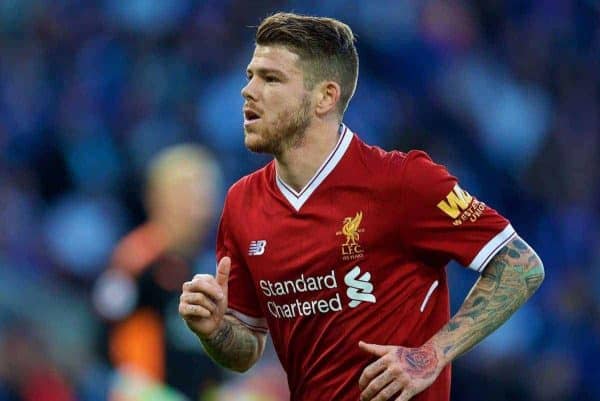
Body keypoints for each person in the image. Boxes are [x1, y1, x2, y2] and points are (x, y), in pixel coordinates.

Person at [179, 12, 545, 401]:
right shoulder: (242, 202)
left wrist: (431, 355)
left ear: (325, 97)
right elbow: (246, 350)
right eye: (251, 75)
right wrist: (215, 329)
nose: (248, 91)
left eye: (271, 79)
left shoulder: (403, 181)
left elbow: (520, 266)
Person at [93, 144, 224, 400]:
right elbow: (112, 348)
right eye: (187, 191)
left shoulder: (214, 261)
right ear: (156, 197)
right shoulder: (136, 260)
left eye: (206, 190)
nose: (199, 202)